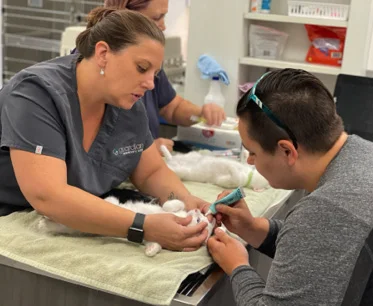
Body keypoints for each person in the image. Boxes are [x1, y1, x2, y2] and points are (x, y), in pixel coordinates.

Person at [0, 7, 210, 252]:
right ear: (103, 54)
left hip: (67, 222)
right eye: (142, 68)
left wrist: (186, 202)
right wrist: (143, 226)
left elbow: (150, 172)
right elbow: (48, 195)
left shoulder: (127, 103)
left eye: (155, 73)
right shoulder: (36, 94)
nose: (151, 84)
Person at [207, 69, 373, 305]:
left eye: (252, 152)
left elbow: (322, 229)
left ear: (287, 151)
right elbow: (322, 254)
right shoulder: (362, 153)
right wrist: (254, 229)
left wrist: (237, 266)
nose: (250, 161)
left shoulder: (327, 209)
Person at [104, 0, 227, 154]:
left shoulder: (148, 60)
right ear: (126, 14)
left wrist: (201, 114)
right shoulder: (95, 69)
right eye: (156, 18)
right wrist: (141, 150)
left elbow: (172, 107)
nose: (163, 26)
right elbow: (94, 147)